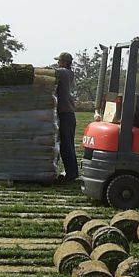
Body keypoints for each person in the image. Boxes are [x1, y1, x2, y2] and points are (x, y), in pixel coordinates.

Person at [54, 51, 79, 182]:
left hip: (66, 114)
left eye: (59, 61)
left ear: (64, 62)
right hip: (66, 113)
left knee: (66, 144)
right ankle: (72, 172)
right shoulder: (68, 73)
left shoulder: (63, 72)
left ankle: (71, 173)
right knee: (67, 144)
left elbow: (51, 72)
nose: (57, 63)